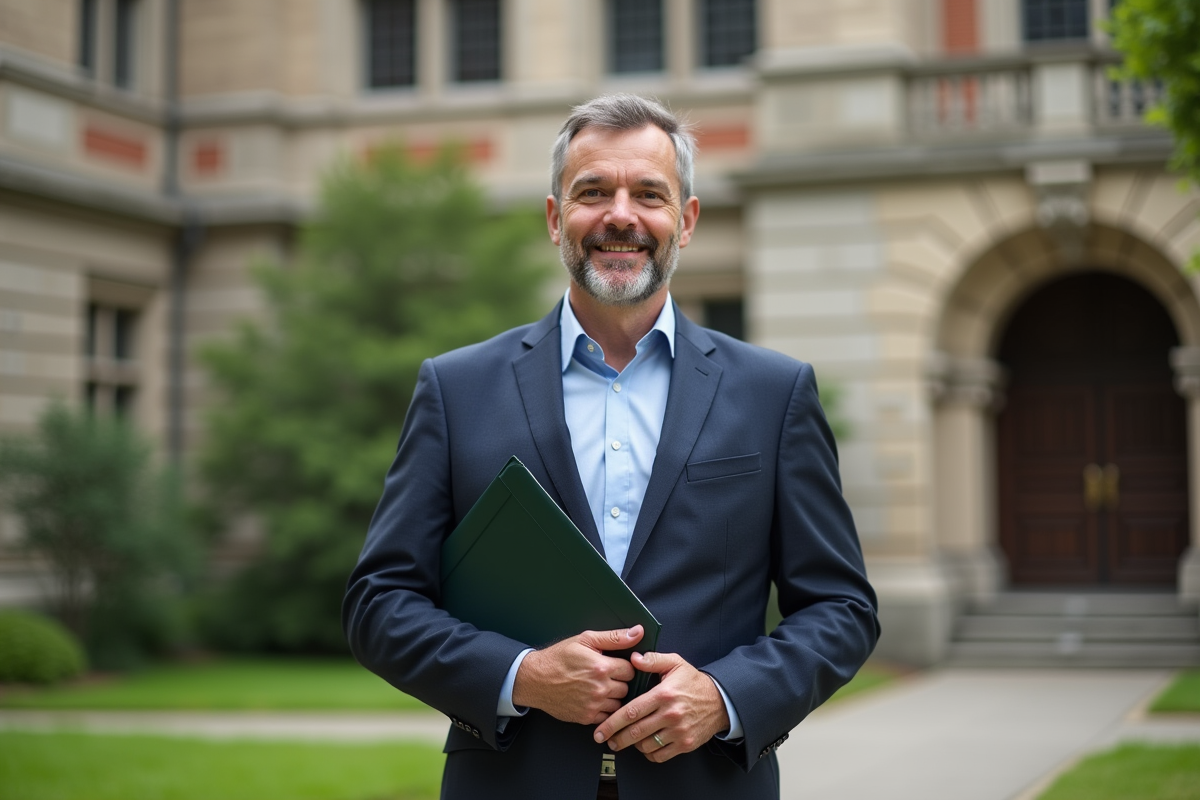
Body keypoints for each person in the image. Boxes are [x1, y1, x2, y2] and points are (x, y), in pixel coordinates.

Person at [343, 94, 879, 800]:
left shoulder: (773, 394)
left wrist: (726, 696)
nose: (620, 215)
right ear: (554, 217)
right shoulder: (456, 389)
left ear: (686, 220)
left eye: (649, 194)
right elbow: (379, 603)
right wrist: (522, 676)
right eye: (593, 192)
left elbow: (841, 608)